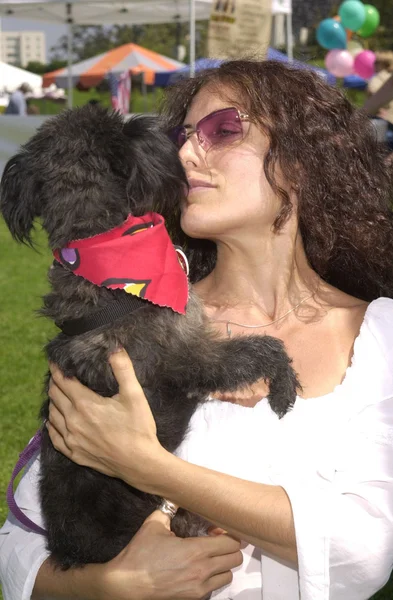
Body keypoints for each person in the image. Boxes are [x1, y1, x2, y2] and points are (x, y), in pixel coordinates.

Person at [1, 59, 393, 600]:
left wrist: (149, 467)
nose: (185, 154)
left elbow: (361, 549)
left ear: (302, 160)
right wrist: (108, 585)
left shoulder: (381, 337)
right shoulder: (127, 315)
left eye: (222, 129)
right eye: (182, 135)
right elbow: (21, 539)